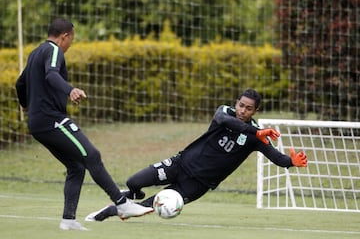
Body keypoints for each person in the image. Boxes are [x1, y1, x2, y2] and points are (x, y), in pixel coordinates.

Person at [85, 88, 307, 221]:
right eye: (241, 105)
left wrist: (291, 162)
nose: (242, 111)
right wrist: (256, 131)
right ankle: (133, 193)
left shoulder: (255, 136)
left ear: (255, 111)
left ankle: (112, 211)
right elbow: (225, 121)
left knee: (148, 207)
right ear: (236, 103)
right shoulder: (225, 113)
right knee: (134, 181)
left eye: (249, 109)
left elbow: (276, 158)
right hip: (181, 164)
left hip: (197, 185)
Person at [15, 18, 153, 231]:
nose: (70, 45)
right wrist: (70, 90)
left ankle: (68, 220)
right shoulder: (53, 51)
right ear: (65, 36)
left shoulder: (35, 53)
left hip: (37, 122)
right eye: (72, 40)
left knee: (76, 166)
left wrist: (26, 106)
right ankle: (122, 204)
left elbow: (20, 83)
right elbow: (52, 74)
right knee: (92, 155)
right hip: (51, 120)